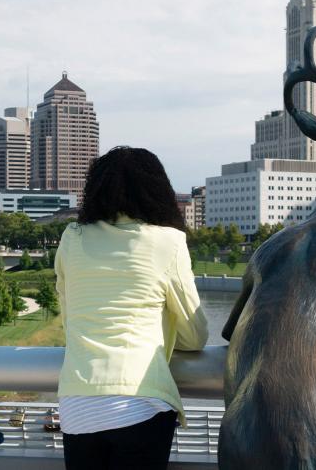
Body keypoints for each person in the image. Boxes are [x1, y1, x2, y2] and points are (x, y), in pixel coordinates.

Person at [55, 146, 209, 470]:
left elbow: (70, 321)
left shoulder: (72, 237)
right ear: (158, 191)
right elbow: (195, 335)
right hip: (140, 400)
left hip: (77, 403)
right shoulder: (168, 241)